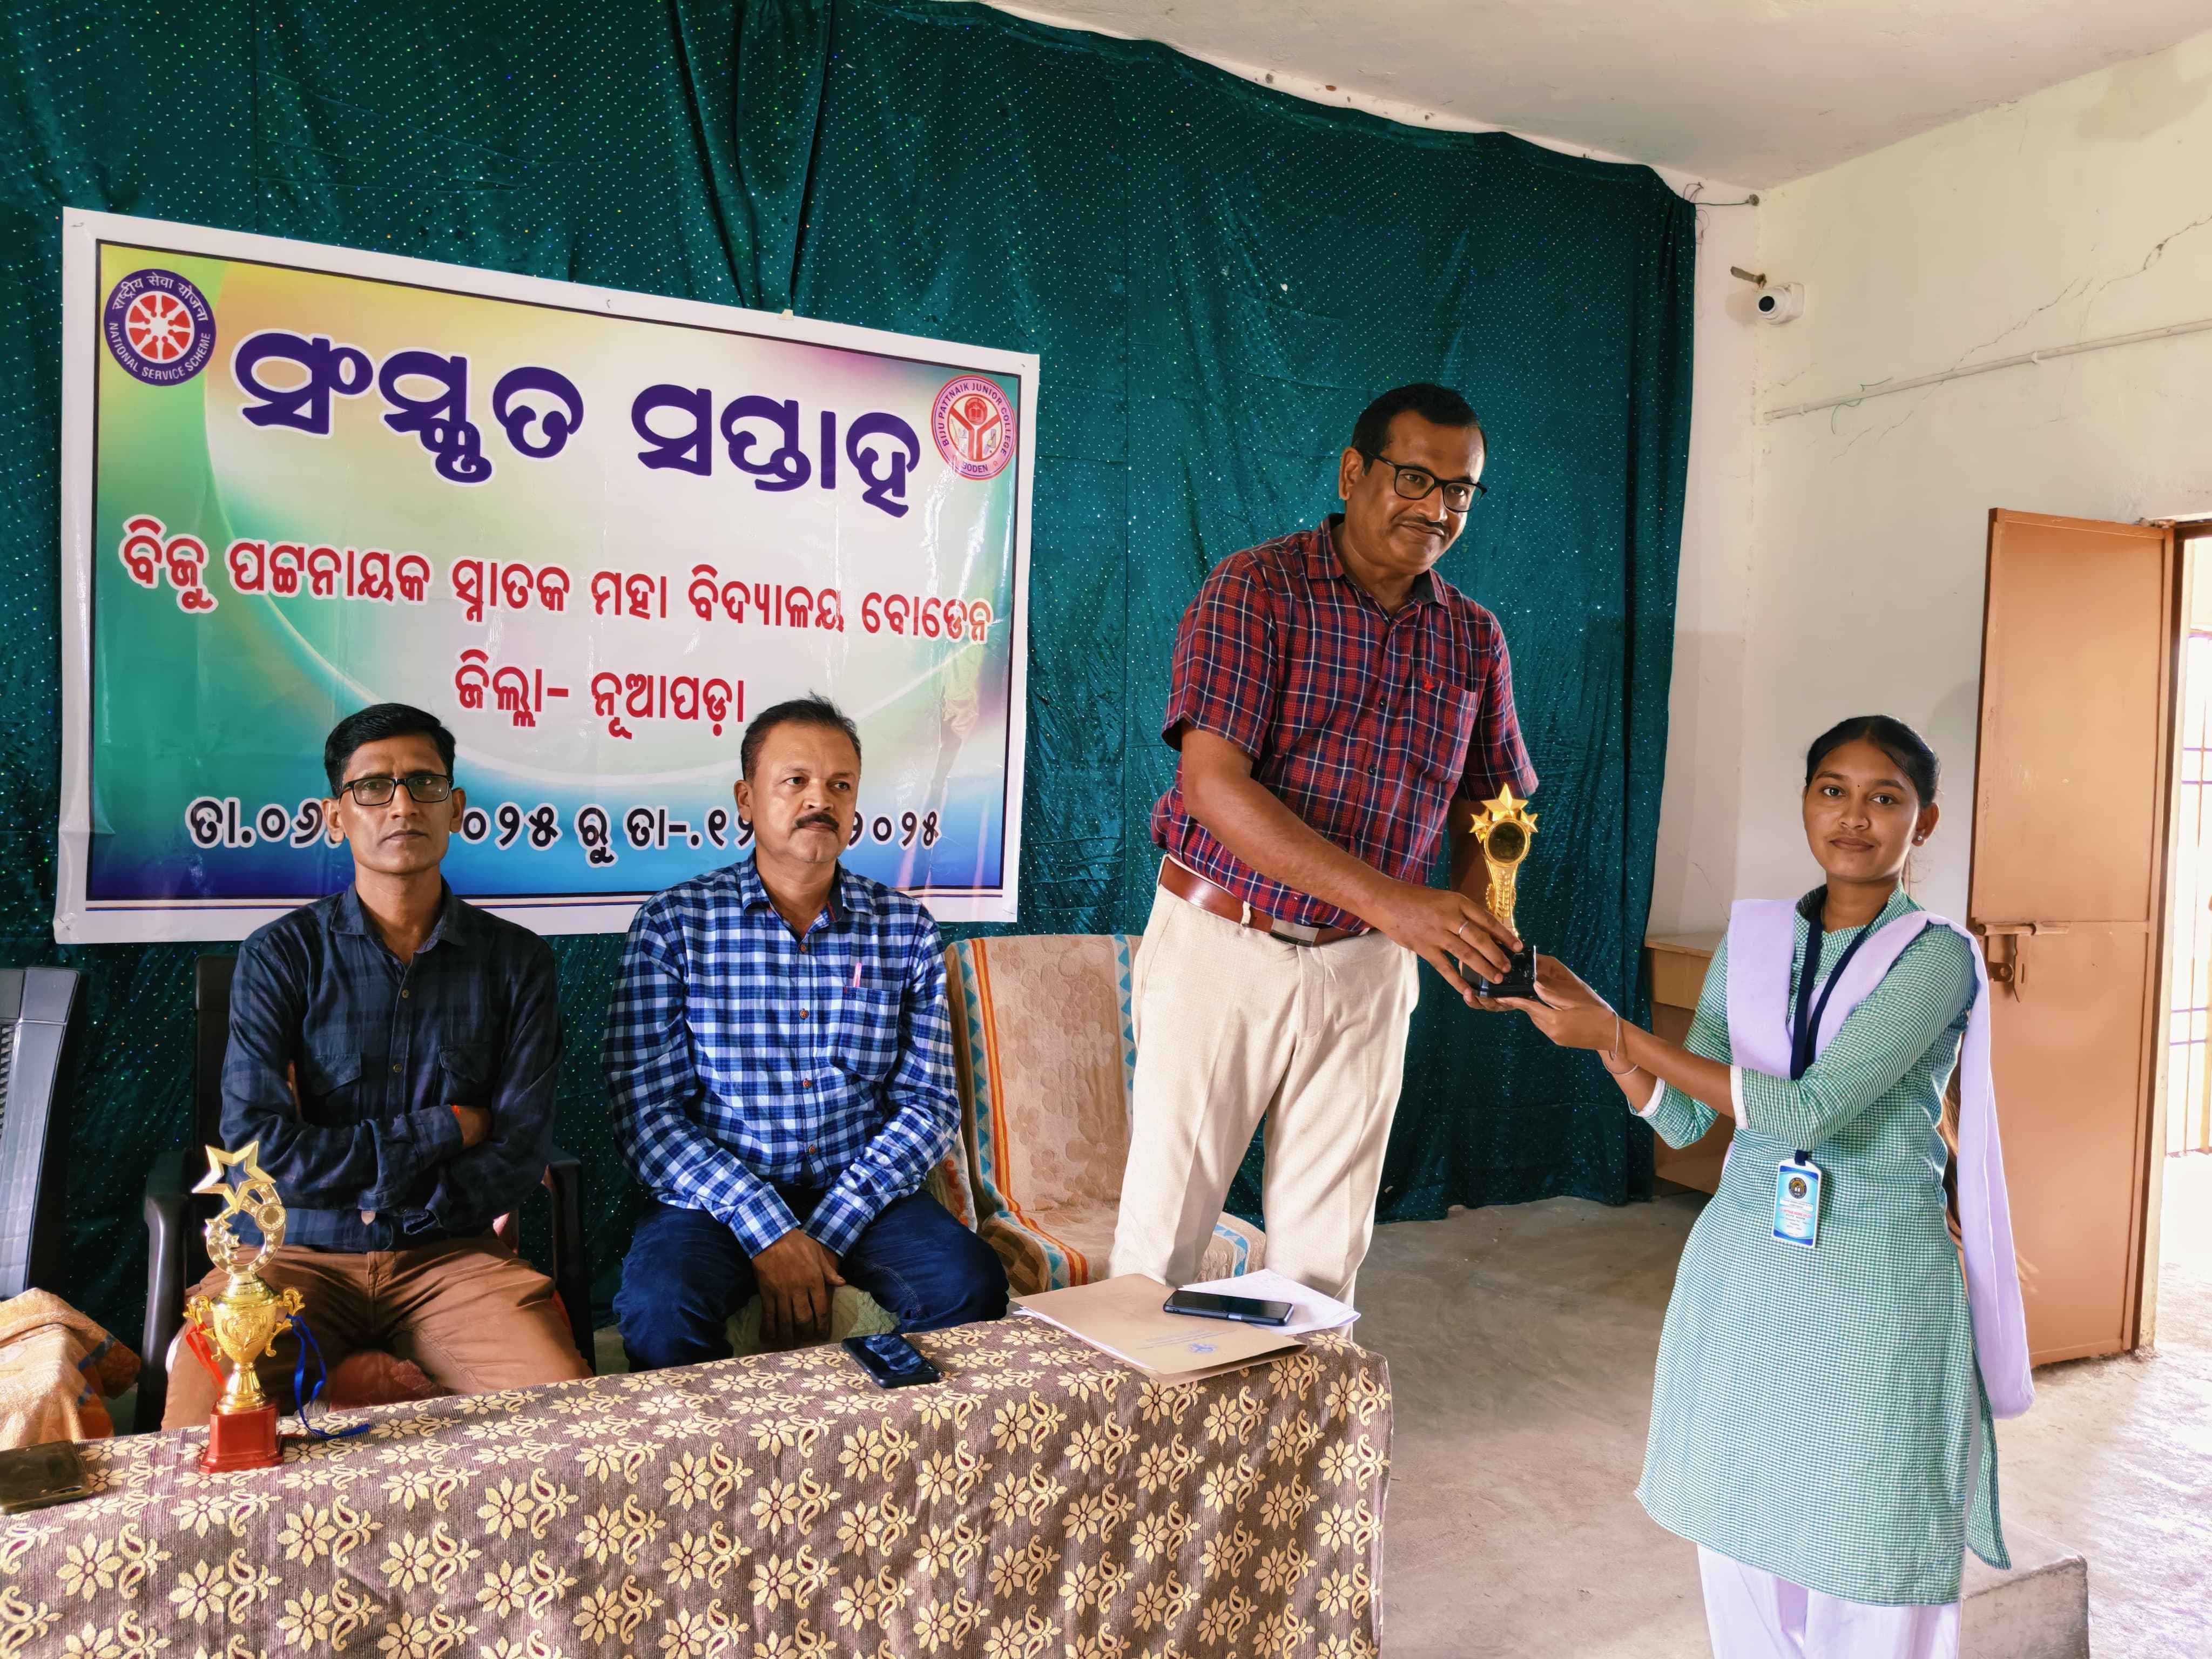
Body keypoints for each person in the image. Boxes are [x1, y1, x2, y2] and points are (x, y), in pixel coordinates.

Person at [1506, 716, 2033, 1659]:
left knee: (1868, 1541)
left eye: (1884, 798)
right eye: (1833, 790)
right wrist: (1601, 1034)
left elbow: (1808, 1113)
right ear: (1804, 803)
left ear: (1925, 820)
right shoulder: (1752, 941)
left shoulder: (1936, 957)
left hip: (1873, 1281)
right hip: (1747, 1271)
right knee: (1741, 1536)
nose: (1854, 817)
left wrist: (1621, 1032)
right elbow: (1684, 1120)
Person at [1109, 382, 1536, 1303]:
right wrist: (1398, 904)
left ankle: (1291, 1406)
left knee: (1321, 1258)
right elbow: (1213, 787)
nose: (1436, 509)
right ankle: (1138, 1402)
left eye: (1460, 491)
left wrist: (1483, 924)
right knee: (1161, 1246)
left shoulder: (1474, 638)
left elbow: (1494, 804)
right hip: (1224, 943)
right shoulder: (1254, 588)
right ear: (1352, 473)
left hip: (1368, 968)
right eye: (1414, 478)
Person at [161, 703, 589, 1428]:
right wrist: (446, 1129)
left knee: (568, 1423)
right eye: (373, 787)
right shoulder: (280, 956)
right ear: (336, 817)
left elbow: (518, 1152)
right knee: (202, 1435)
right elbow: (260, 1149)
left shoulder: (517, 962)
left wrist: (397, 1200)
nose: (402, 805)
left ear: (456, 808)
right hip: (293, 1253)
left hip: (448, 1257)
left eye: (424, 784)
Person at [606, 696, 1007, 1364]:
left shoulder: (904, 930)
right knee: (659, 1309)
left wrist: (827, 1231)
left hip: (864, 1190)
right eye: (795, 781)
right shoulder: (675, 925)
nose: (820, 799)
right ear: (746, 799)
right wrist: (767, 1229)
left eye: (840, 785)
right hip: (715, 1198)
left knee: (971, 1283)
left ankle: (889, 1432)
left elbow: (928, 1105)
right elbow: (647, 1115)